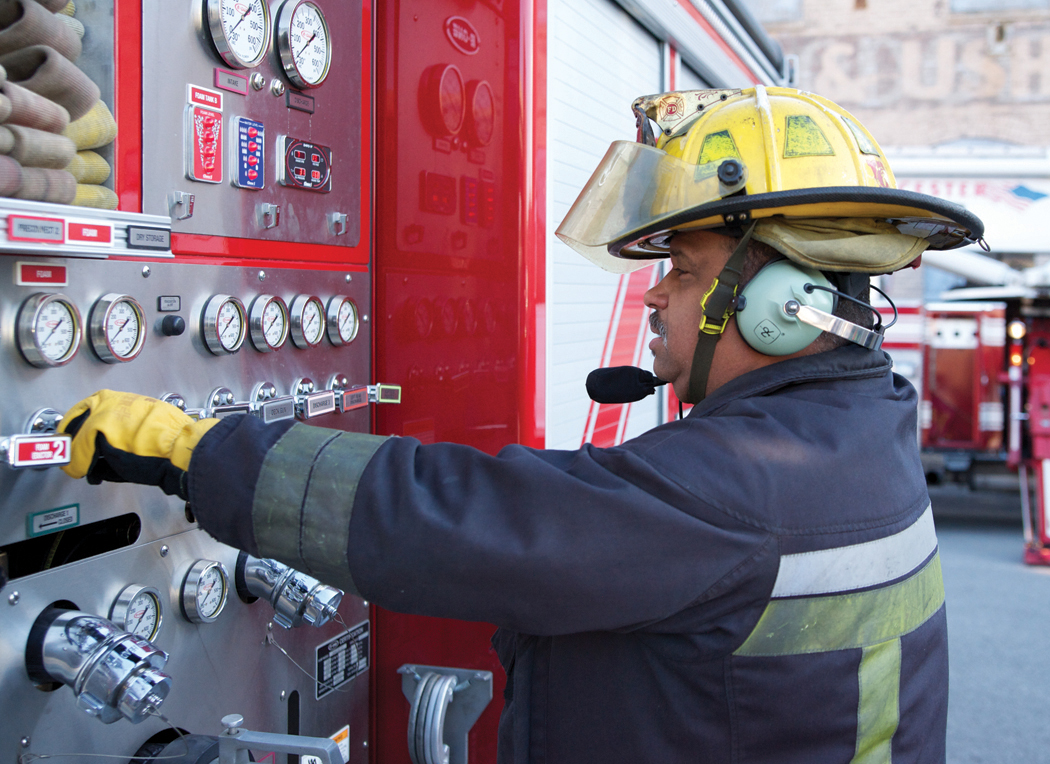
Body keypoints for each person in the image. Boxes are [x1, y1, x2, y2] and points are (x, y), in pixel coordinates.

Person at [59, 87, 983, 762]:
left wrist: (200, 453)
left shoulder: (742, 484)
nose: (655, 293)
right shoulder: (869, 427)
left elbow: (465, 518)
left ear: (785, 306)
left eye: (686, 269)